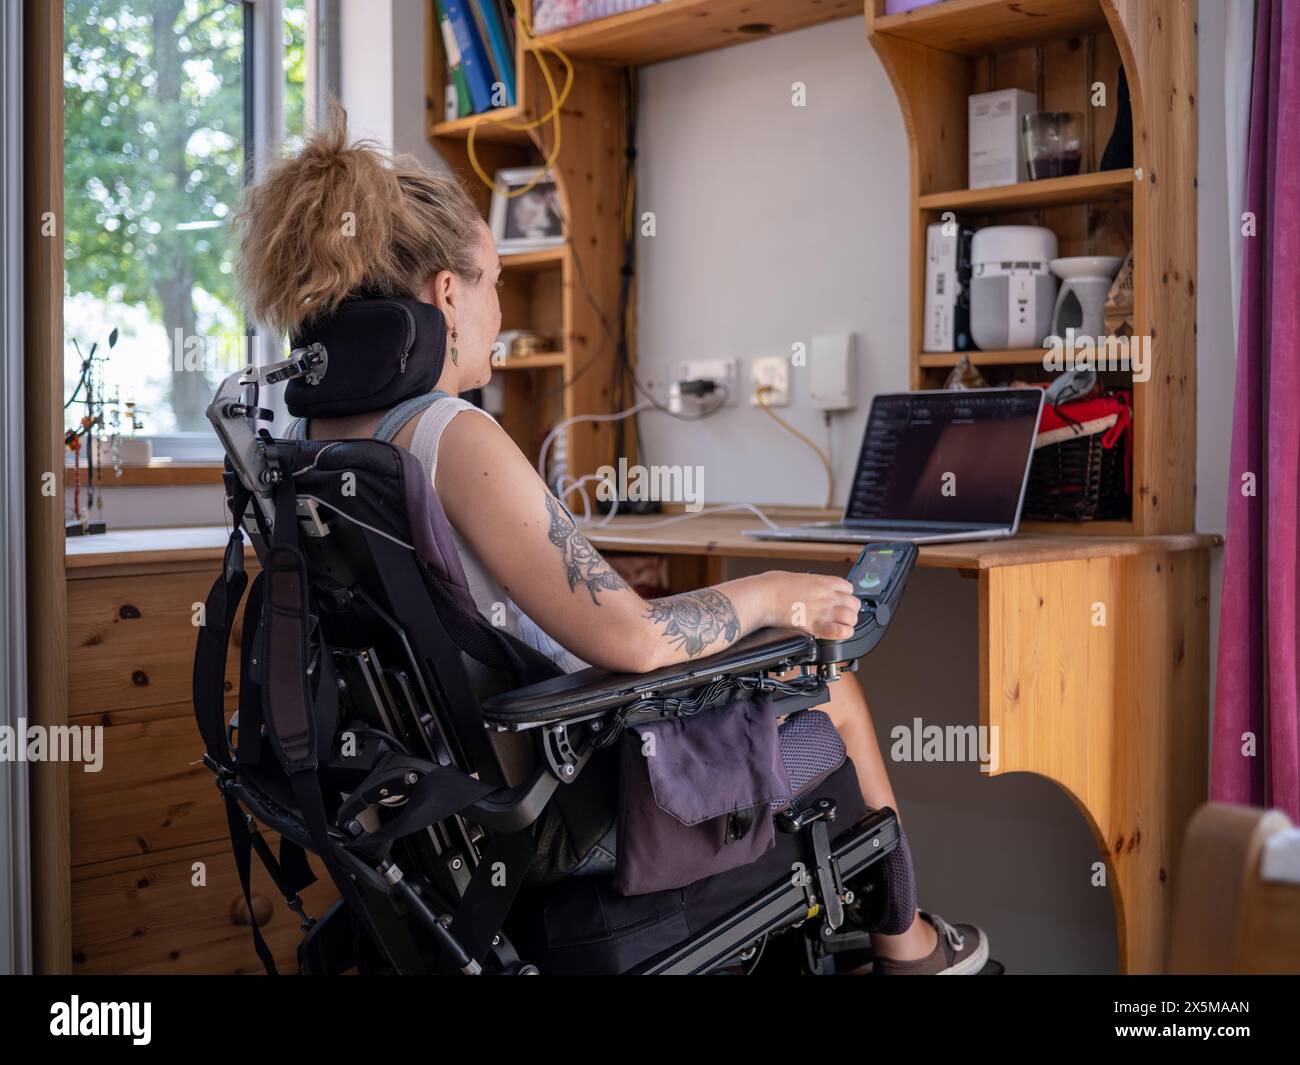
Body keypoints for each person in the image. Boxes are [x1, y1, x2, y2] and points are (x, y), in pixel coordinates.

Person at [234, 111, 988, 975]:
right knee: (833, 683)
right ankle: (913, 951)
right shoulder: (453, 433)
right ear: (446, 295)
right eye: (494, 281)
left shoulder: (329, 448)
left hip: (438, 801)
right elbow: (632, 640)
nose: (500, 305)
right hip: (568, 796)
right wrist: (778, 592)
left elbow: (488, 611)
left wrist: (602, 593)